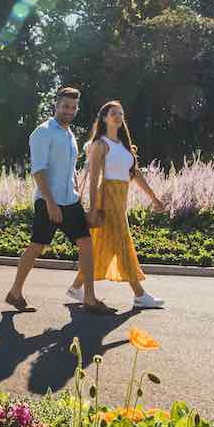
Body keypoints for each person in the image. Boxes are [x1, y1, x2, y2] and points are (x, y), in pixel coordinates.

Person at [7, 87, 105, 314]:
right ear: (56, 105)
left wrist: (78, 194)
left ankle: (89, 298)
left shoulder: (69, 134)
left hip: (70, 201)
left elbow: (69, 170)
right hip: (48, 201)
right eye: (65, 106)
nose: (69, 111)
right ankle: (14, 292)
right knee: (36, 246)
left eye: (73, 107)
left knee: (86, 243)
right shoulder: (43, 132)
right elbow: (38, 170)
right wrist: (50, 202)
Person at [70, 100, 166, 309]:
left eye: (121, 113)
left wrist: (154, 198)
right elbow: (94, 178)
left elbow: (135, 175)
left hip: (121, 198)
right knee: (122, 242)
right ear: (104, 118)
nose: (118, 116)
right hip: (107, 198)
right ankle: (139, 294)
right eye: (113, 113)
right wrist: (94, 208)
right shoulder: (100, 144)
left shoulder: (123, 146)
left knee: (103, 246)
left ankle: (77, 287)